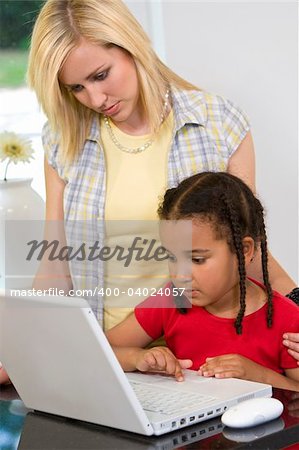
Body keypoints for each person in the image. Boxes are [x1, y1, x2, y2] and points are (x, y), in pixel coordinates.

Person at [1, 0, 299, 384]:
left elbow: (250, 247)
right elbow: (56, 267)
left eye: (101, 74)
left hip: (199, 362)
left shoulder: (218, 123)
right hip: (114, 355)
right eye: (76, 87)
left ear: (130, 46)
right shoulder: (64, 141)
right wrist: (25, 352)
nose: (95, 99)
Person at [106, 172, 299, 391]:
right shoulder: (173, 298)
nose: (180, 275)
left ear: (243, 250)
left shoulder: (287, 320)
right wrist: (137, 357)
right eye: (171, 257)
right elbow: (101, 350)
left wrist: (259, 375)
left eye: (197, 259)